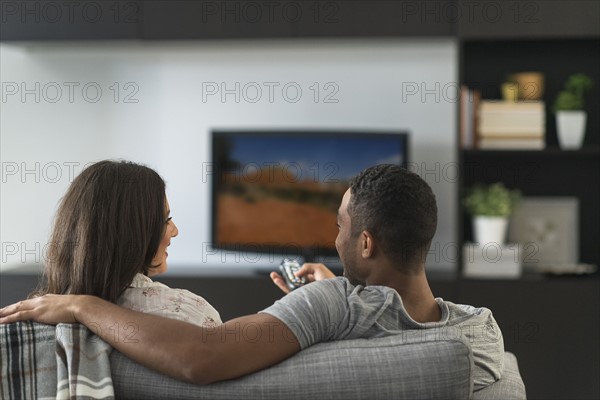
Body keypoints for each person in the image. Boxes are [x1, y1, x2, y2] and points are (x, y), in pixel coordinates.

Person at [0, 164, 503, 390]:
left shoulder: (329, 303)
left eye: (339, 227)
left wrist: (83, 304)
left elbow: (205, 354)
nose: (334, 239)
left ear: (365, 244)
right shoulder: (480, 337)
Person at [29, 160, 221, 328]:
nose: (175, 230)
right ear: (134, 233)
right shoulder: (192, 314)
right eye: (165, 220)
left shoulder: (35, 316)